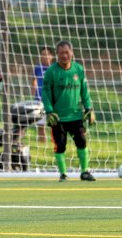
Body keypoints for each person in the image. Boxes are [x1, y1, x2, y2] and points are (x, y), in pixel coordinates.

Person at [41, 40, 96, 182]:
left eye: (67, 52)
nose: (64, 55)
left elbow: (84, 91)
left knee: (82, 141)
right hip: (58, 117)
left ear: (72, 53)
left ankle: (84, 172)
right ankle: (63, 174)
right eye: (61, 53)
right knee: (60, 145)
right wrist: (49, 111)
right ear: (57, 55)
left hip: (76, 115)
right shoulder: (51, 72)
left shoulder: (78, 69)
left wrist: (89, 107)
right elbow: (45, 93)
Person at [31, 46, 54, 142]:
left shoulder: (55, 68)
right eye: (43, 54)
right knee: (41, 125)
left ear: (52, 56)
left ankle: (56, 146)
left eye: (47, 54)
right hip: (39, 100)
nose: (45, 56)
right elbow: (33, 80)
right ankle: (42, 146)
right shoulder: (37, 68)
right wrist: (34, 89)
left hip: (53, 100)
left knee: (55, 125)